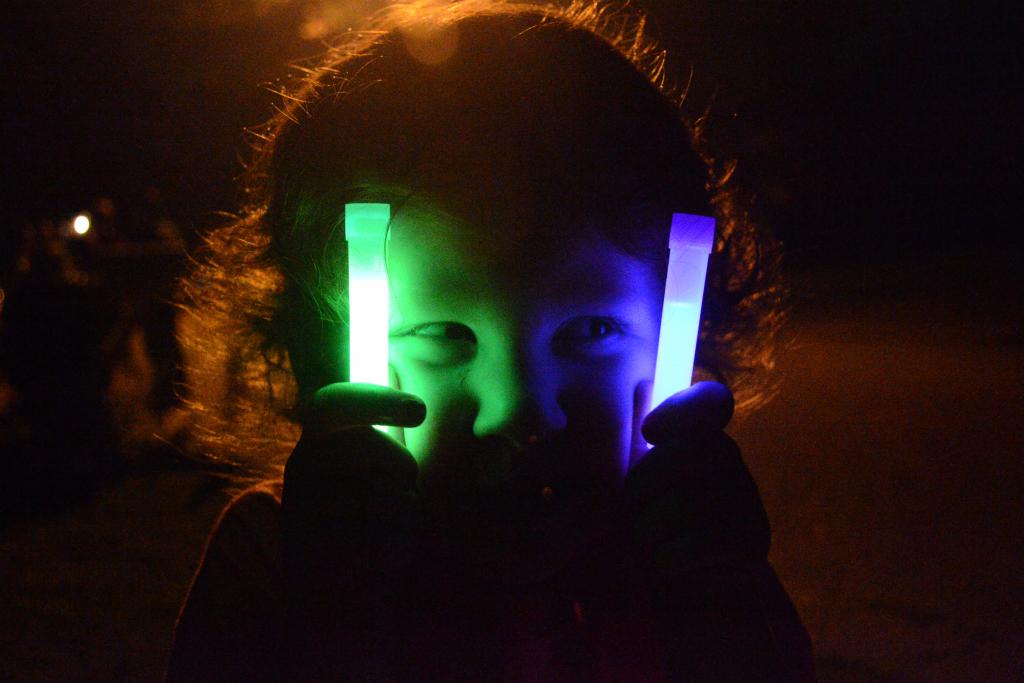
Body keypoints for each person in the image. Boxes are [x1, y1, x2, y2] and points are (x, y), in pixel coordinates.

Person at [167, 1, 813, 680]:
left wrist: (720, 609)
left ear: (686, 319)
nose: (519, 411)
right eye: (444, 333)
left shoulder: (707, 572)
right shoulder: (273, 559)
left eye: (592, 330)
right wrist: (334, 619)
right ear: (317, 343)